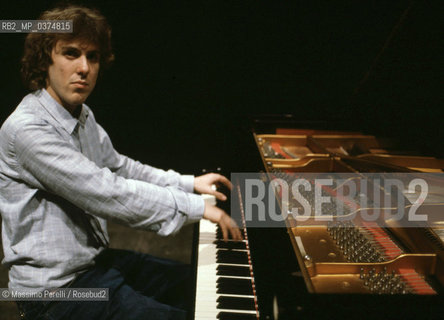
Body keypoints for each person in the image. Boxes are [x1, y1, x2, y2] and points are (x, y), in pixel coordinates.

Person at [0, 4, 241, 320]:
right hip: (57, 295)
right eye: (71, 54)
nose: (84, 68)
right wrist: (195, 207)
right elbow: (106, 192)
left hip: (95, 266)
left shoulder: (82, 116)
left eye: (93, 56)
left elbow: (119, 167)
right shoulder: (26, 130)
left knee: (192, 285)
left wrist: (188, 183)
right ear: (46, 59)